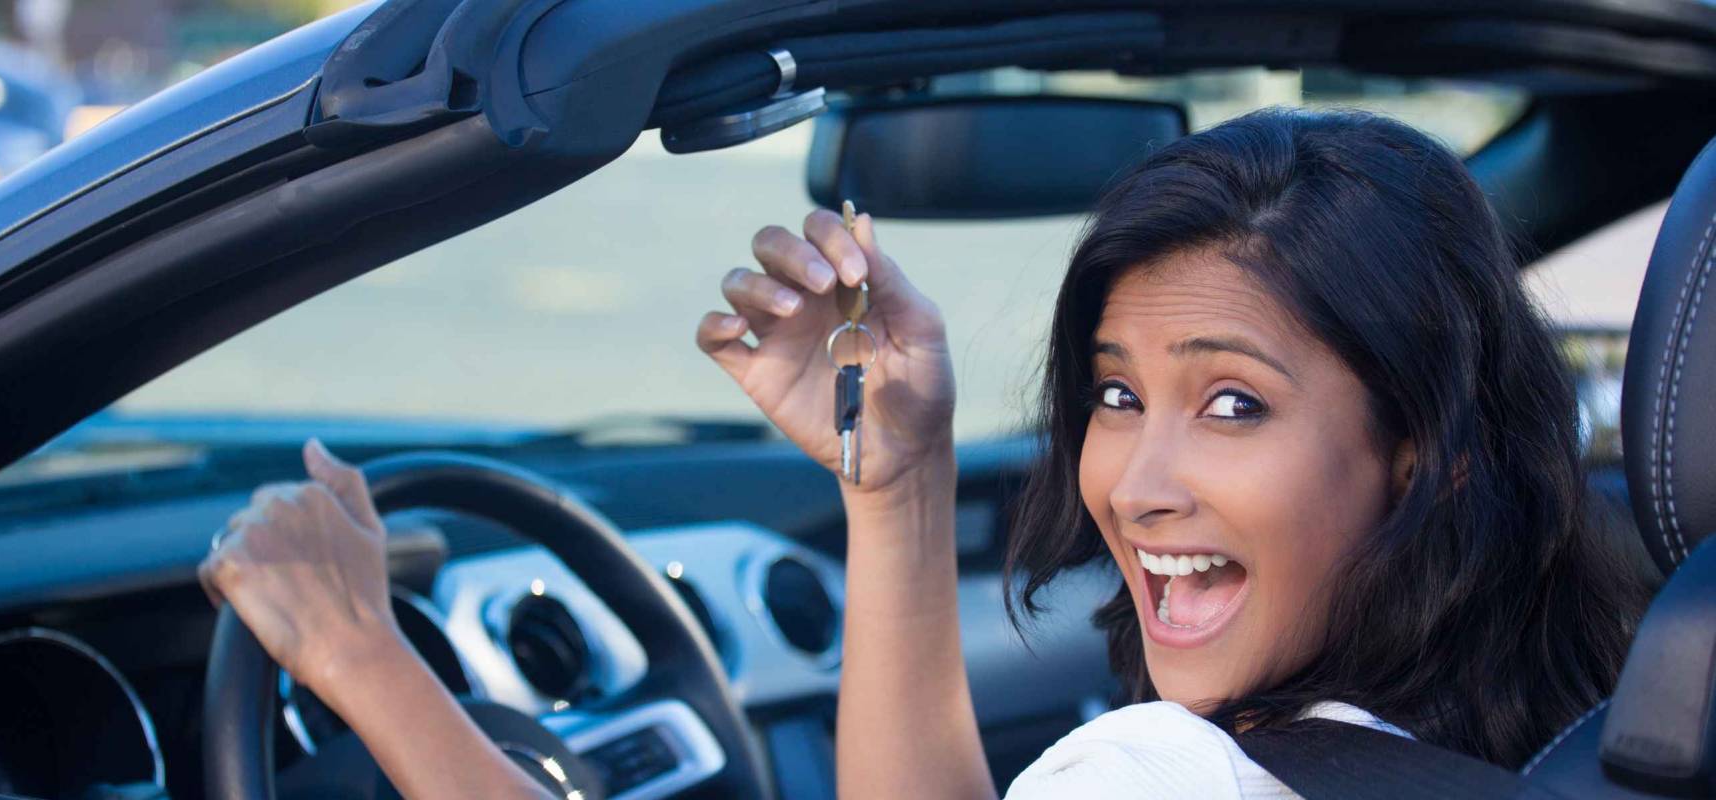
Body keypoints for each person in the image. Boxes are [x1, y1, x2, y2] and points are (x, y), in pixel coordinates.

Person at [200, 108, 1650, 799]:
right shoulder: (1587, 728)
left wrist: (360, 657)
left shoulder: (1168, 775)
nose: (1134, 483)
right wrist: (895, 485)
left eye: (1231, 406)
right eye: (1114, 393)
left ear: (1425, 456)